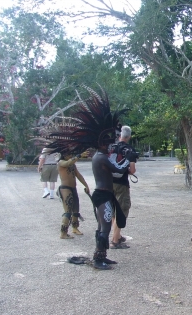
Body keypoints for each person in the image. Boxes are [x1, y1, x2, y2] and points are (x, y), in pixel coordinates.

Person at [44, 87, 130, 270]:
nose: (113, 143)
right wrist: (128, 159)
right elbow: (118, 170)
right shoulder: (101, 157)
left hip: (104, 195)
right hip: (102, 195)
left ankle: (102, 256)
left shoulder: (102, 155)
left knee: (103, 225)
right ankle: (98, 259)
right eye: (110, 141)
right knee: (104, 226)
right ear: (103, 142)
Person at [109, 125, 138, 249]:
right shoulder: (129, 150)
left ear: (120, 136)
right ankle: (115, 240)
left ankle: (117, 235)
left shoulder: (111, 147)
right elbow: (132, 170)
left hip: (109, 183)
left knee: (112, 211)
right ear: (129, 137)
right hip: (122, 184)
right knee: (122, 210)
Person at [57, 152, 90, 239]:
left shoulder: (73, 165)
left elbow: (78, 175)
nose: (71, 156)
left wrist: (86, 185)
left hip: (73, 188)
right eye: (69, 154)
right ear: (64, 155)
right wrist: (79, 155)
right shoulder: (61, 162)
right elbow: (67, 163)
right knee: (68, 211)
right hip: (65, 189)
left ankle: (75, 228)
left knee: (76, 210)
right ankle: (63, 233)